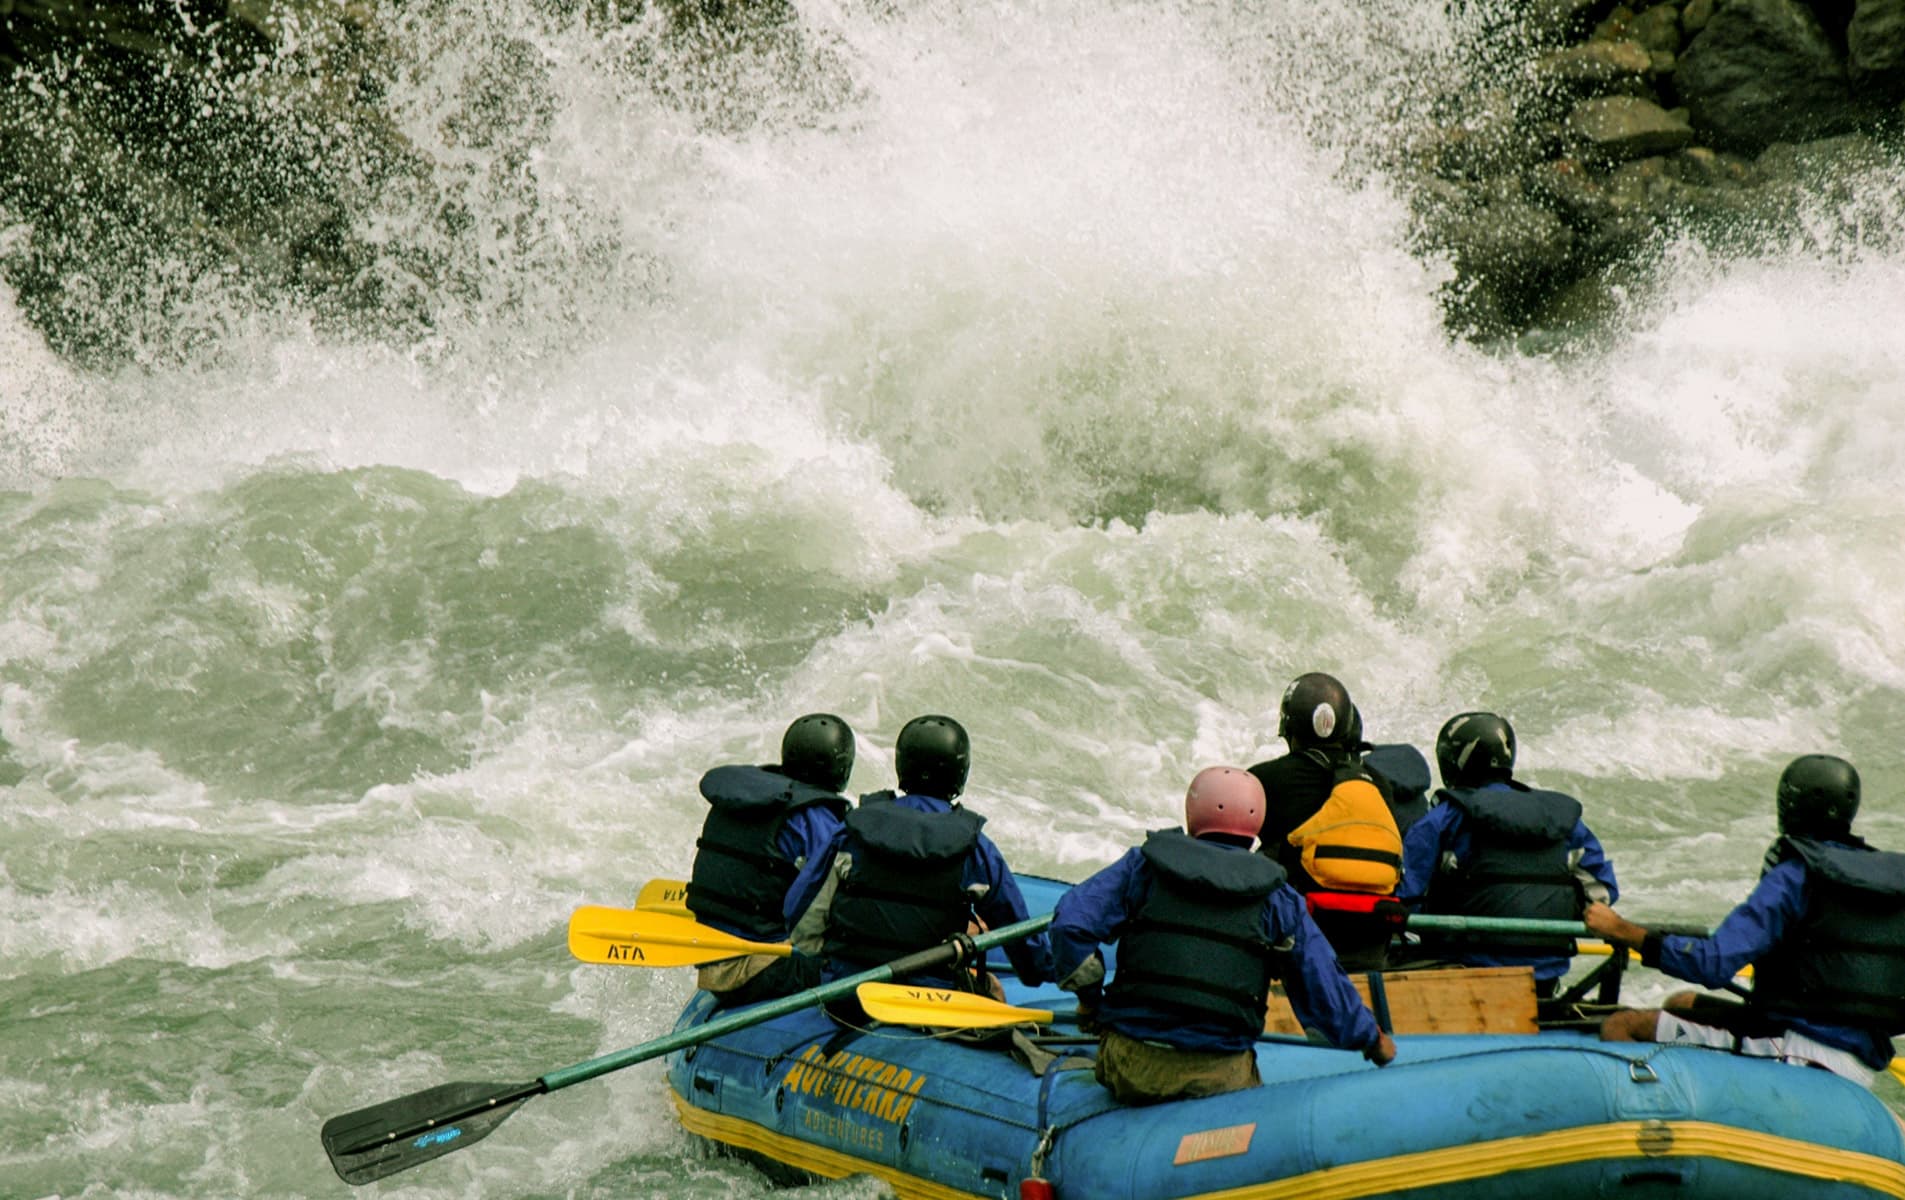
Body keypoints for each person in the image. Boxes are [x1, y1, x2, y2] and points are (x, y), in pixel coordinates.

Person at [1049, 766, 1395, 1105]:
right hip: (1219, 1074)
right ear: (1256, 823)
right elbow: (1320, 980)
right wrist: (1371, 1039)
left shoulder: (1143, 866)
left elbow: (1069, 927)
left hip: (1131, 1068)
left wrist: (1090, 1000)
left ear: (1192, 813)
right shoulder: (1278, 897)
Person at [1585, 754, 1905, 1086]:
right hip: (1862, 1061)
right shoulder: (1889, 883)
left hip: (1794, 1047)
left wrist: (1621, 930)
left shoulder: (1796, 876)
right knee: (1680, 1003)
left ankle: (1660, 1124)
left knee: (1621, 1025)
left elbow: (1712, 964)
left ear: (1790, 806)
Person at [783, 714, 1053, 993]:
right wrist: (1043, 972)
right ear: (960, 772)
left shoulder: (850, 831)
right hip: (934, 999)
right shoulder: (977, 849)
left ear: (901, 765)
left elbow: (800, 915)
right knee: (992, 988)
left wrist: (827, 960)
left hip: (848, 992)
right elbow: (1023, 944)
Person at [1399, 712, 1618, 998]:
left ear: (1453, 761)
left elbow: (1404, 899)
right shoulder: (1563, 820)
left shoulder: (1442, 819)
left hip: (1463, 977)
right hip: (1544, 981)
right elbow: (1601, 895)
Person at [685, 713, 857, 1006]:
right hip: (760, 970)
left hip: (710, 961)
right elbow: (835, 902)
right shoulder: (816, 819)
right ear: (842, 767)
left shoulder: (741, 798)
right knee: (862, 970)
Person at [1248, 673, 1407, 970]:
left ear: (1288, 726)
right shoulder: (1380, 785)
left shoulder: (1264, 780)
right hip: (1371, 941)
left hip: (1299, 938)